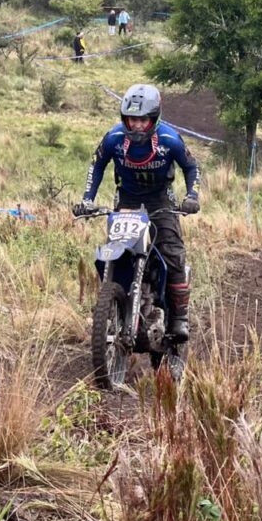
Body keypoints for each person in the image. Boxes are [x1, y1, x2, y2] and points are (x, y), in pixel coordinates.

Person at [72, 83, 200, 340]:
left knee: (172, 253)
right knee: (115, 253)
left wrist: (192, 196)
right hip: (127, 200)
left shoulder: (170, 139)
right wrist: (87, 200)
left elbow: (191, 166)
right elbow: (96, 165)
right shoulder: (114, 138)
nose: (137, 125)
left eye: (143, 120)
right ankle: (115, 305)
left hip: (161, 201)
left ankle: (179, 318)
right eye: (132, 119)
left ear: (153, 118)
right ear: (125, 118)